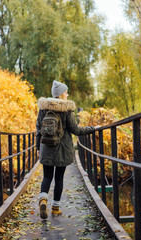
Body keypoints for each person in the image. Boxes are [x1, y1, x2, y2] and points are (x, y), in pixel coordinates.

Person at [36, 80, 99, 219]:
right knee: (59, 178)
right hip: (62, 150)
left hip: (46, 147)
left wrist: (37, 148)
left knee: (47, 176)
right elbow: (75, 130)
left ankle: (43, 199)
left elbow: (38, 130)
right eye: (66, 92)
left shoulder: (43, 108)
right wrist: (93, 129)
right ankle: (56, 208)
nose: (67, 94)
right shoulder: (66, 109)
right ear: (60, 94)